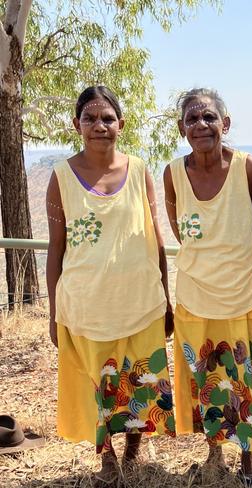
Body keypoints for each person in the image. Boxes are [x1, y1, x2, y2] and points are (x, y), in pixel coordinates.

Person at [46, 86, 175, 487]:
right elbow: (56, 250)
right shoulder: (61, 178)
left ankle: (135, 443)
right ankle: (106, 457)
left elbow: (155, 237)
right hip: (86, 305)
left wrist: (166, 297)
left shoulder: (139, 170)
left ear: (121, 123)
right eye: (90, 118)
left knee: (138, 377)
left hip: (140, 301)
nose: (99, 126)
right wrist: (54, 312)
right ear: (77, 125)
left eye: (107, 119)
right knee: (96, 383)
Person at [164, 88, 252, 488]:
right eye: (192, 119)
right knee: (207, 377)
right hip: (196, 298)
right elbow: (182, 230)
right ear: (182, 129)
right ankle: (214, 453)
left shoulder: (247, 168)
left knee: (245, 379)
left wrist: (241, 258)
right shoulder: (173, 174)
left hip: (244, 297)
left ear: (225, 124)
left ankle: (249, 460)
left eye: (209, 118)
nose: (201, 125)